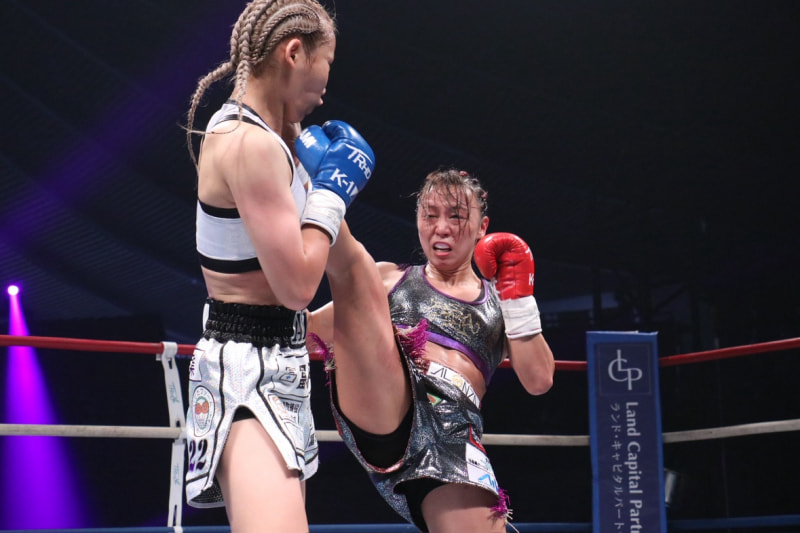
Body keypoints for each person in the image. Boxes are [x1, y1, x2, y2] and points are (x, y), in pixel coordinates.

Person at [182, 1, 375, 531]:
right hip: (246, 369)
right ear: (295, 53)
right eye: (327, 63)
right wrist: (332, 191)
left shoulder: (271, 139)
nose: (325, 88)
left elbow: (325, 269)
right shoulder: (248, 144)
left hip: (277, 354)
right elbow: (296, 286)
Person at [303, 167, 555, 532]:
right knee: (356, 267)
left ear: (482, 227)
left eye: (457, 217)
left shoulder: (500, 304)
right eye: (430, 215)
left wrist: (518, 300)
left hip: (454, 434)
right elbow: (308, 330)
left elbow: (539, 380)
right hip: (389, 402)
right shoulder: (388, 279)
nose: (442, 228)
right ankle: (313, 182)